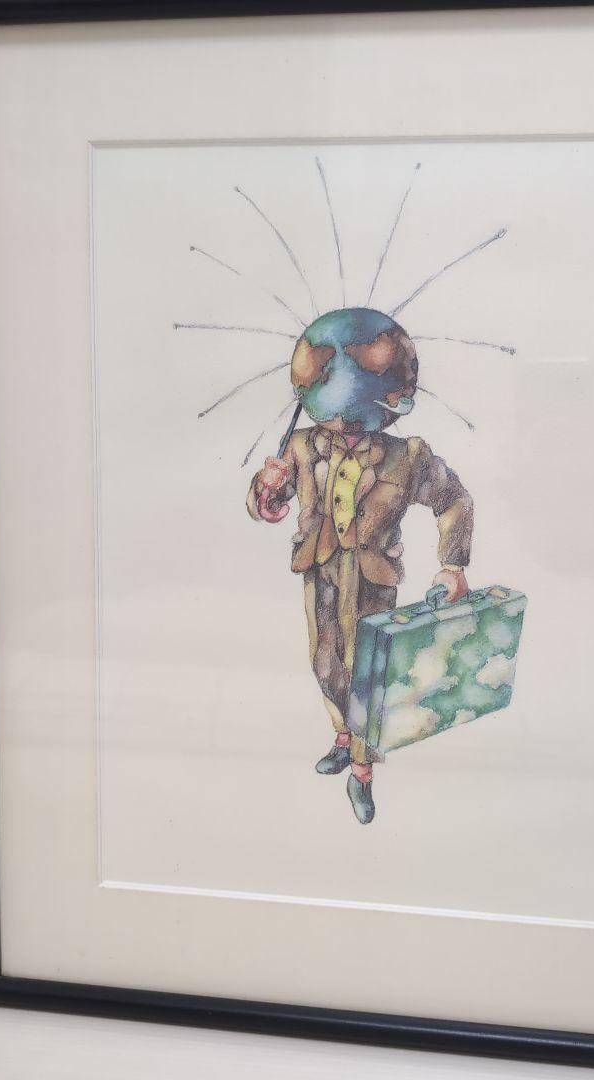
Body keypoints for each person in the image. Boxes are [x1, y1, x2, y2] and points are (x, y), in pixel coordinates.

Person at [247, 309, 474, 824]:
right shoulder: (300, 447)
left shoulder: (407, 456)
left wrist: (453, 565)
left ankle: (362, 772)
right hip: (319, 570)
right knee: (325, 663)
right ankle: (343, 737)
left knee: (367, 675)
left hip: (373, 581)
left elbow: (455, 500)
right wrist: (268, 489)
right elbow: (266, 507)